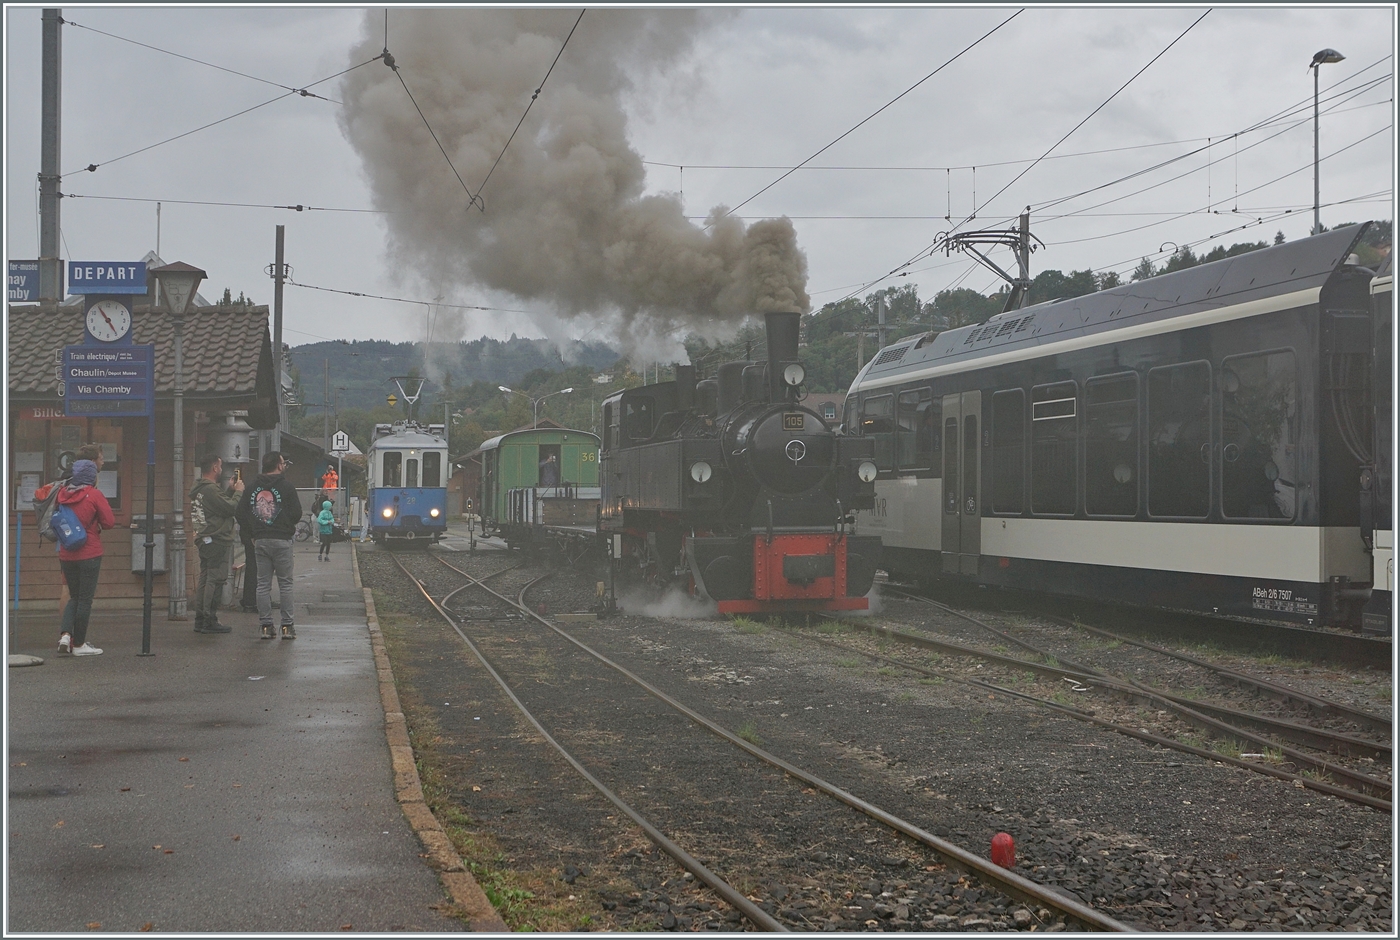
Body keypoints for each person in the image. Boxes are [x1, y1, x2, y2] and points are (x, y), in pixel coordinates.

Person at [236, 452, 302, 640]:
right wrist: (284, 524)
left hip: (261, 540)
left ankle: (266, 626)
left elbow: (240, 513)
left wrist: (253, 533)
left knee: (262, 584)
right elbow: (297, 513)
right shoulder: (287, 487)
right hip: (282, 540)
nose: (284, 466)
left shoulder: (251, 488)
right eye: (283, 462)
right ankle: (287, 627)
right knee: (285, 584)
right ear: (278, 466)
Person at [56, 459, 115, 656]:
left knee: (74, 596)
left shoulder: (62, 494)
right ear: (92, 477)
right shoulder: (94, 495)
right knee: (85, 600)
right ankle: (79, 644)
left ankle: (65, 636)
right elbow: (109, 522)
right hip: (89, 553)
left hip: (66, 553)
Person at [189, 454, 245, 633]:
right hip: (215, 539)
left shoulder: (201, 488)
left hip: (205, 538)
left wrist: (228, 491)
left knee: (206, 578)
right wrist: (238, 492)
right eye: (220, 467)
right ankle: (208, 619)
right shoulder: (210, 489)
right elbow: (229, 508)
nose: (221, 470)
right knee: (214, 579)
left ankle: (201, 619)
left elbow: (218, 506)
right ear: (214, 468)